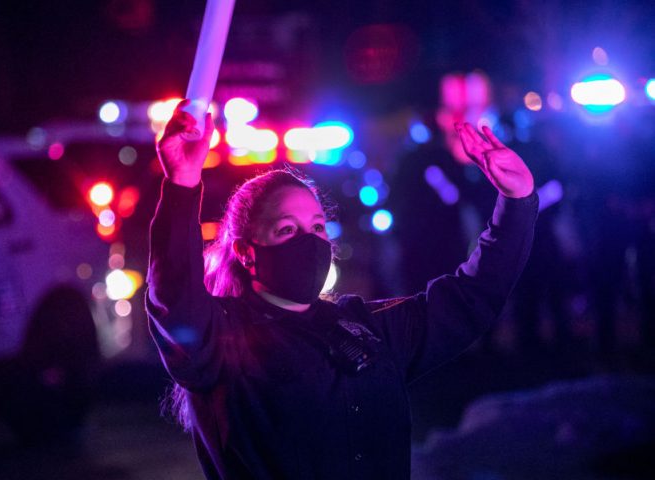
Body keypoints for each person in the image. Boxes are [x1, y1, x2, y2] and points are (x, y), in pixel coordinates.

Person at [146, 100, 538, 479]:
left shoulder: (366, 327)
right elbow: (176, 297)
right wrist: (181, 185)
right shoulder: (220, 340)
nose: (309, 241)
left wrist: (516, 201)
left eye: (317, 227)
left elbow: (471, 298)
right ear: (247, 252)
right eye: (287, 230)